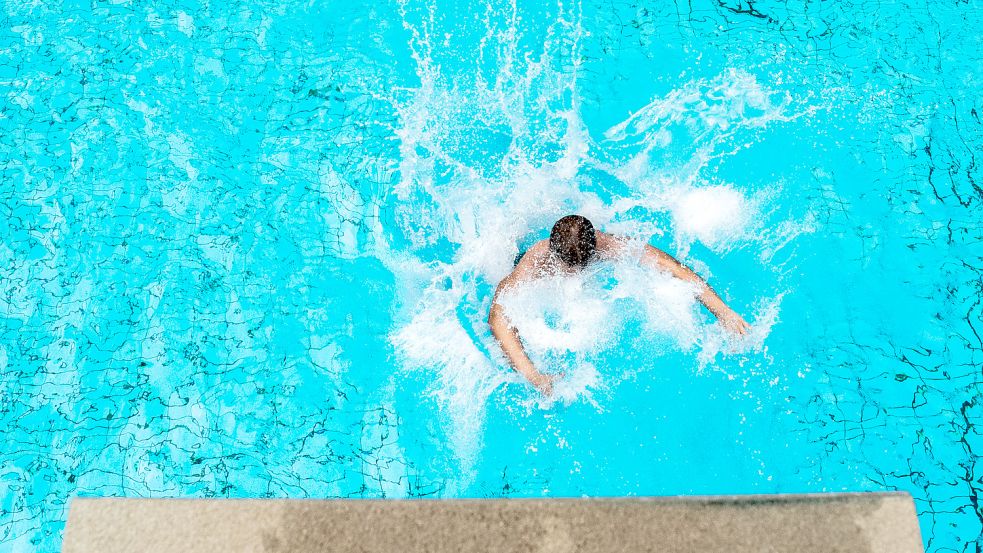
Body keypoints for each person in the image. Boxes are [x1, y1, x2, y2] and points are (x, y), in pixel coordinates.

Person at [487, 214, 751, 397]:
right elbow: (498, 316)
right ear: (555, 253)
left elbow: (672, 267)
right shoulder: (534, 262)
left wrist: (722, 310)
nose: (576, 271)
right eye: (571, 266)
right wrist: (534, 376)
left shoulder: (607, 244)